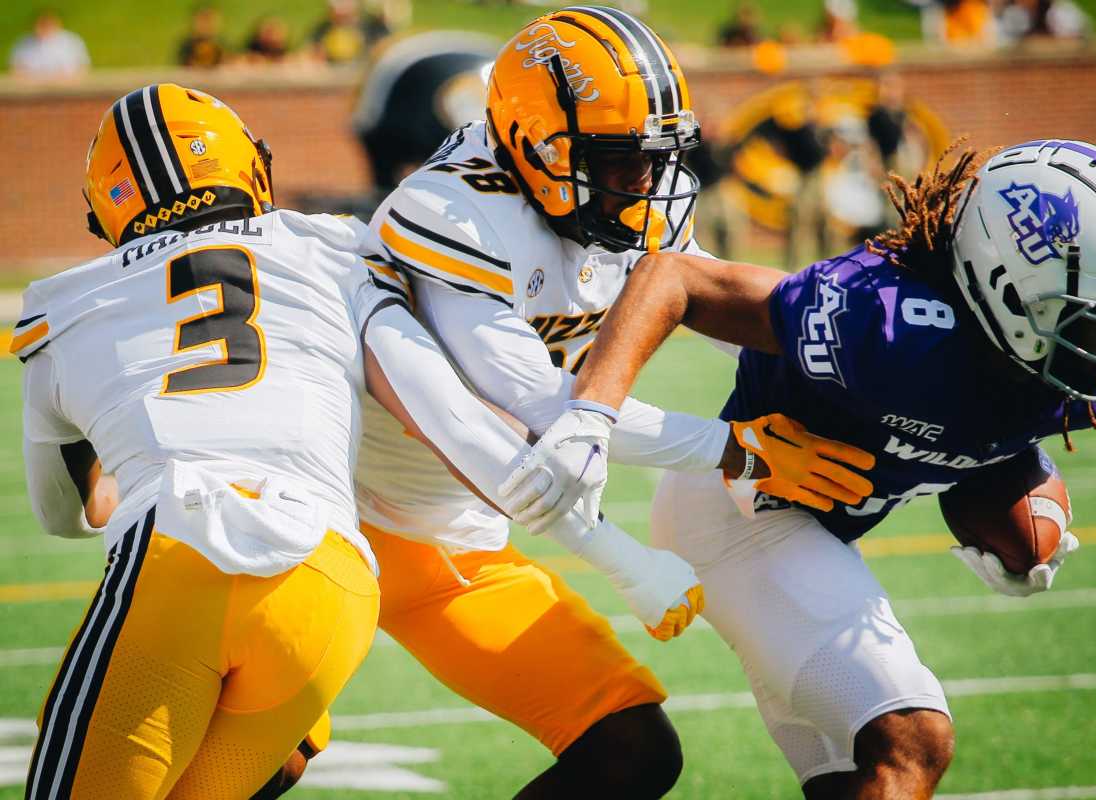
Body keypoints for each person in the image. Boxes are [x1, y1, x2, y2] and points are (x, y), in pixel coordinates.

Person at [16, 81, 675, 799]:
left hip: (268, 544)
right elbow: (450, 404)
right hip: (338, 558)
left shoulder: (61, 306)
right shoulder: (338, 243)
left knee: (630, 744)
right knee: (269, 759)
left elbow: (68, 511)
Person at [528, 139, 1096, 798]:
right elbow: (674, 279)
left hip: (807, 534)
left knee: (853, 779)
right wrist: (590, 417)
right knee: (911, 741)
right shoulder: (885, 321)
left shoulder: (1065, 370)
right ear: (1007, 284)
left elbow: (989, 433)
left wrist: (1018, 500)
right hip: (742, 511)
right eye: (1091, 316)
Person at [357, 7, 876, 798]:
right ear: (531, 141)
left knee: (632, 751)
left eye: (654, 158)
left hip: (459, 539)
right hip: (342, 522)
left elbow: (716, 302)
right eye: (618, 160)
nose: (644, 182)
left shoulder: (625, 192)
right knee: (256, 758)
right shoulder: (450, 213)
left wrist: (866, 370)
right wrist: (737, 446)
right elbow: (546, 409)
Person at [8, 9, 89, 78]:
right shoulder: (23, 43)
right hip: (31, 92)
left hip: (67, 91)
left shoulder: (72, 41)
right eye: (42, 25)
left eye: (48, 25)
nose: (45, 29)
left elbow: (83, 69)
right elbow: (14, 70)